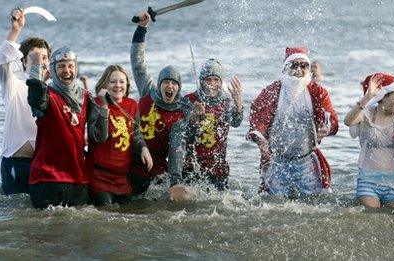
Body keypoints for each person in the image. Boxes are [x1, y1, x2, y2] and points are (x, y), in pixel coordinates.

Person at [247, 47, 338, 198]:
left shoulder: (317, 92)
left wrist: (326, 128)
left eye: (304, 66)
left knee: (314, 203)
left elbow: (331, 118)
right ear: (285, 68)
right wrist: (261, 141)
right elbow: (258, 120)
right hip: (277, 161)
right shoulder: (271, 92)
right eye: (294, 65)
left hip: (306, 160)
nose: (299, 70)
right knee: (274, 205)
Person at [27, 47, 109, 209]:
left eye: (70, 66)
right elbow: (35, 100)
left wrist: (104, 107)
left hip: (78, 178)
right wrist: (36, 66)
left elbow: (99, 136)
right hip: (46, 178)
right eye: (61, 66)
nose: (66, 70)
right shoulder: (47, 94)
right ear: (53, 70)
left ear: (76, 68)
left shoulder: (85, 97)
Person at [129, 11, 188, 201]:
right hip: (133, 166)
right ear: (160, 83)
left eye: (174, 83)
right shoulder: (148, 92)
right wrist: (142, 29)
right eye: (166, 82)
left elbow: (177, 149)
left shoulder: (182, 109)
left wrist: (176, 181)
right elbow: (138, 63)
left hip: (158, 175)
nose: (169, 86)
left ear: (178, 88)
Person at [0, 8, 51, 195]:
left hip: (44, 165)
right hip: (16, 162)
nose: (40, 62)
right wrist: (16, 30)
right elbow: (2, 60)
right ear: (24, 62)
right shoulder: (14, 83)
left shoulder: (54, 90)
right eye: (34, 57)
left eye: (44, 58)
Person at [86, 65, 153, 206]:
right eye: (113, 82)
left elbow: (136, 133)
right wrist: (104, 106)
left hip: (122, 179)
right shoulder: (95, 104)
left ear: (127, 85)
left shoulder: (132, 105)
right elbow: (99, 136)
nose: (118, 86)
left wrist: (143, 147)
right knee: (108, 214)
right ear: (104, 85)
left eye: (122, 82)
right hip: (99, 177)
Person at [174, 59, 244, 191]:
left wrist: (238, 104)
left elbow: (236, 122)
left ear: (221, 82)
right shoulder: (189, 100)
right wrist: (194, 117)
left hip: (218, 168)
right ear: (201, 81)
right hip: (192, 167)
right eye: (208, 80)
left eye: (216, 80)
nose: (212, 84)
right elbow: (183, 133)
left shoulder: (226, 101)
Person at [344, 73, 394, 208]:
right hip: (368, 179)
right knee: (372, 216)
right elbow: (348, 121)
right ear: (383, 97)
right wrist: (368, 97)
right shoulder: (367, 115)